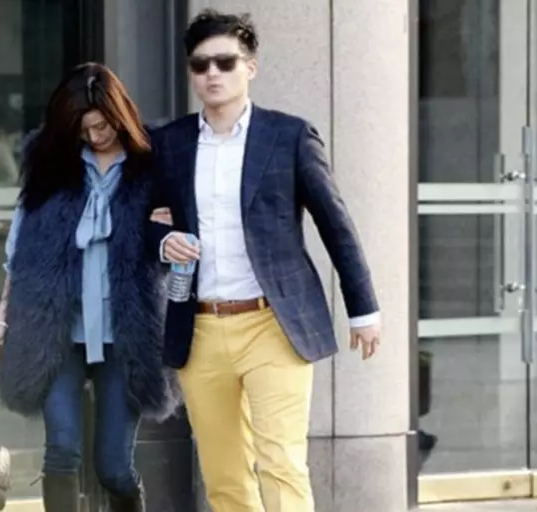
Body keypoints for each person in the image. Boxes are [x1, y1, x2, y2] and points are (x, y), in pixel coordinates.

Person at [151, 10, 382, 512]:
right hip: (200, 328)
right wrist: (162, 241)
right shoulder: (170, 143)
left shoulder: (289, 136)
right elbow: (145, 220)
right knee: (224, 475)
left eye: (225, 62)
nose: (212, 73)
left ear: (250, 67)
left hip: (273, 323)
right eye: (200, 64)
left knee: (281, 463)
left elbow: (335, 223)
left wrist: (363, 309)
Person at [0, 62, 179, 512]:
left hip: (126, 333)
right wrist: (0, 321)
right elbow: (19, 252)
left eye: (102, 126)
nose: (94, 136)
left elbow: (177, 241)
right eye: (84, 129)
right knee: (61, 451)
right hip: (58, 331)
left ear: (119, 115)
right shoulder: (53, 164)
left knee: (114, 466)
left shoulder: (152, 165)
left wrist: (169, 229)